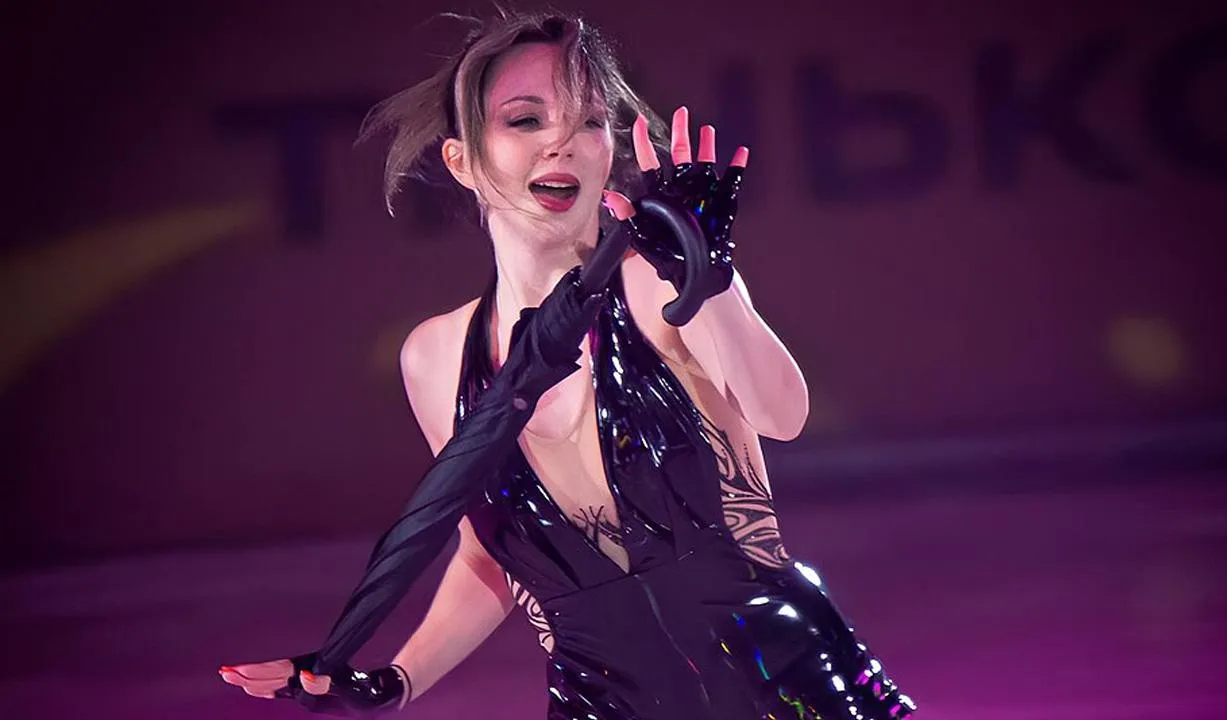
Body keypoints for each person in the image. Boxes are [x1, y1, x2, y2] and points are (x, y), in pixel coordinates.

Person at [219, 8, 915, 719]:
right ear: (462, 160)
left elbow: (783, 415)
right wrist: (395, 681)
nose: (561, 142)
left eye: (589, 122)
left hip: (786, 691)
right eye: (525, 120)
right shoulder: (435, 356)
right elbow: (488, 557)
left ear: (608, 151)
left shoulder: (660, 286)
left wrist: (711, 279)